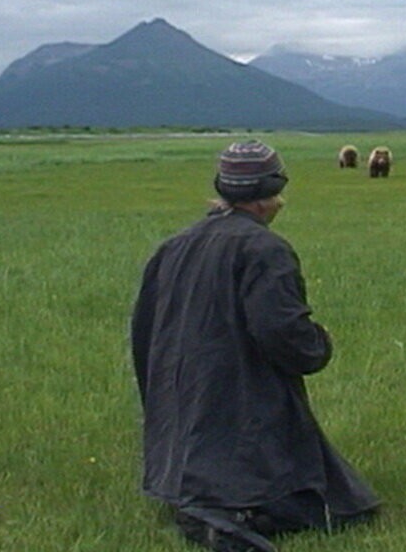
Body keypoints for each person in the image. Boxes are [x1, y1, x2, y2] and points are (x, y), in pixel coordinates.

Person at [131, 140, 379, 552]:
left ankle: (198, 502)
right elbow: (285, 337)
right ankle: (226, 517)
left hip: (178, 444)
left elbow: (145, 332)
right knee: (342, 507)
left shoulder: (173, 247)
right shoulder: (264, 249)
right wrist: (319, 344)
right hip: (235, 409)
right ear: (269, 193)